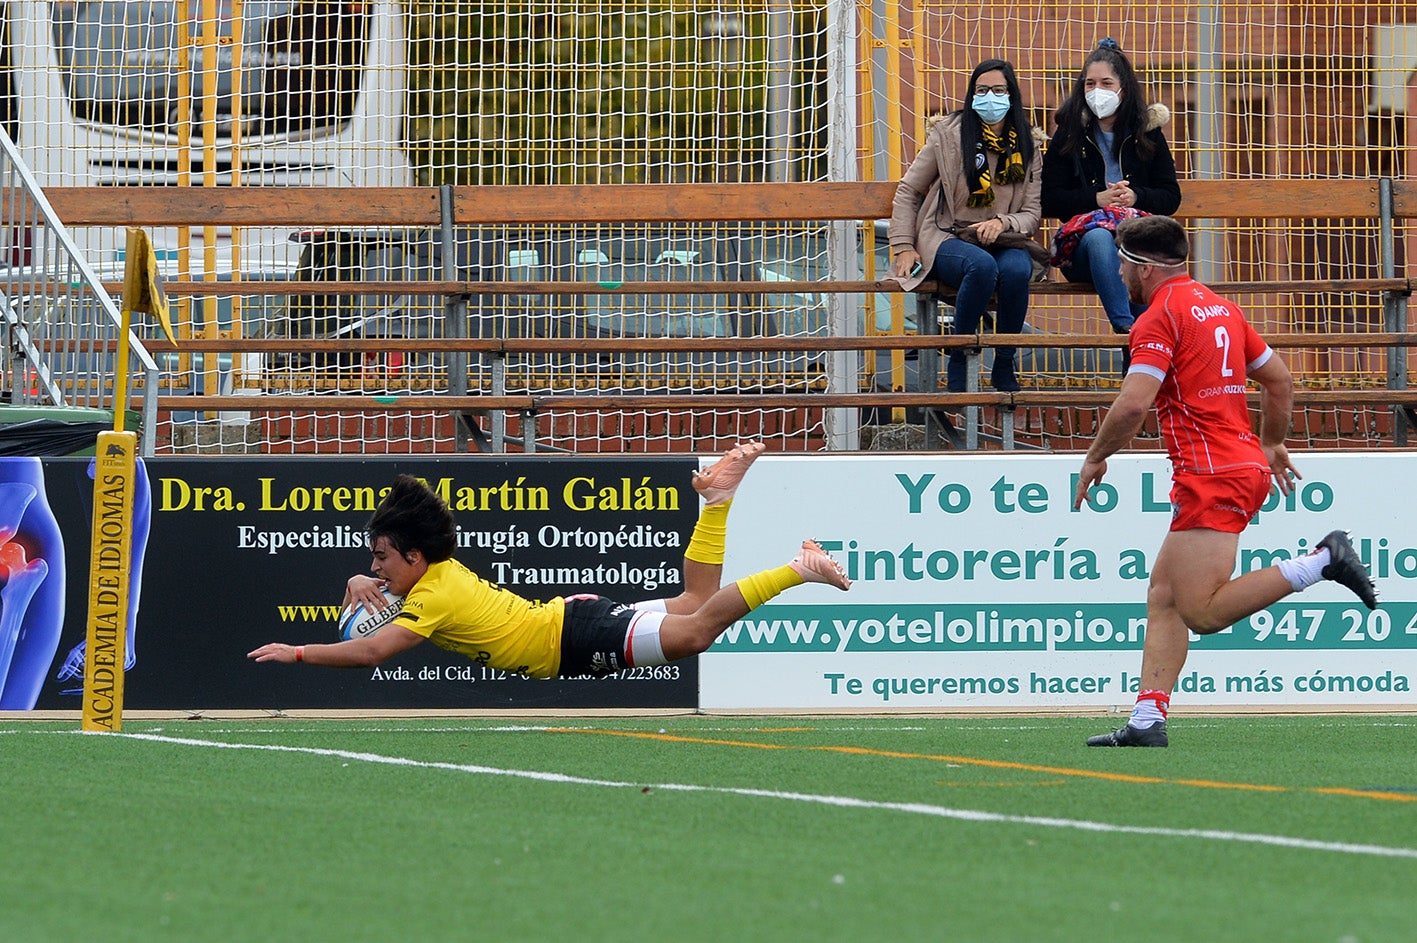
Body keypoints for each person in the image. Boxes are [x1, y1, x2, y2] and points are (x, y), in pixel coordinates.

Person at [1073, 216, 1378, 748]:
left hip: (1211, 472)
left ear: (1143, 268)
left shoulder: (1158, 317)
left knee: (1203, 611)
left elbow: (1134, 403)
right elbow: (1279, 379)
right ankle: (1147, 719)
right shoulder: (1222, 308)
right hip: (1235, 465)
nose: (1118, 269)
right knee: (1165, 595)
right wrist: (1271, 443)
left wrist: (1096, 457)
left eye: (1122, 261)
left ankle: (1321, 562)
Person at [248, 443, 850, 677]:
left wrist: (297, 650)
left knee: (695, 630)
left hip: (572, 634)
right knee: (694, 605)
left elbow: (374, 650)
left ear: (414, 555)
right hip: (571, 620)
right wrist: (361, 576)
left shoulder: (433, 593)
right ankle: (717, 501)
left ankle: (797, 568)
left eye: (380, 558)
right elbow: (386, 597)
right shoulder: (432, 577)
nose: (375, 568)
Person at [889, 58, 1044, 393]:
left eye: (999, 90)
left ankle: (1004, 362)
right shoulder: (947, 137)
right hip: (948, 235)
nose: (991, 97)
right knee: (981, 265)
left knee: (1018, 270)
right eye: (982, 90)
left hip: (1005, 240)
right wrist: (903, 244)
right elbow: (908, 190)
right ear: (972, 96)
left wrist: (1003, 222)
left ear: (1011, 95)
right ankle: (959, 357)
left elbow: (1032, 213)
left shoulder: (1028, 146)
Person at [1041, 38, 1181, 345]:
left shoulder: (1148, 131)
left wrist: (1136, 196)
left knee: (1137, 255)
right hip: (1083, 252)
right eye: (1089, 84)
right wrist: (1096, 199)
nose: (1096, 91)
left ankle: (1138, 359)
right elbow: (1048, 198)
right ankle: (1128, 329)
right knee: (1100, 237)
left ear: (1124, 87)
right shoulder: (1068, 133)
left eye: (1106, 82)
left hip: (1136, 245)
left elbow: (1170, 196)